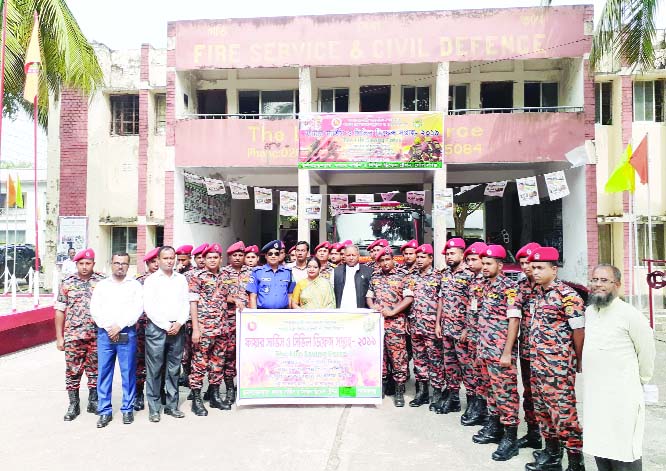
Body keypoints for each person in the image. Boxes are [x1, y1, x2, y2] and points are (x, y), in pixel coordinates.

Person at [583, 264, 655, 471]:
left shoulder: (630, 315)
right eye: (594, 280)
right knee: (600, 445)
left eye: (604, 280)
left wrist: (639, 381)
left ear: (618, 285)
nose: (597, 285)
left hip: (622, 396)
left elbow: (647, 353)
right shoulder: (590, 312)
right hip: (596, 395)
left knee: (623, 449)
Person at [526, 247, 585, 471]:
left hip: (558, 366)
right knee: (542, 410)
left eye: (541, 268)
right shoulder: (538, 293)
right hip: (538, 364)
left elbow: (578, 331)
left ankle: (575, 463)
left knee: (564, 414)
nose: (536, 272)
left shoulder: (568, 296)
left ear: (554, 269)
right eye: (533, 268)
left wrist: (578, 359)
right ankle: (551, 455)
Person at [471, 245, 522, 462]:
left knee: (506, 394)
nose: (483, 267)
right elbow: (477, 318)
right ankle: (495, 428)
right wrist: (477, 349)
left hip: (501, 351)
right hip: (484, 349)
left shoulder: (509, 288)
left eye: (488, 263)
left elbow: (514, 320)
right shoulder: (480, 286)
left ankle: (510, 438)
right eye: (482, 263)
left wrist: (507, 352)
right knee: (490, 391)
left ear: (500, 266)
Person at [90, 252, 143, 428]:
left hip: (126, 332)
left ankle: (127, 409)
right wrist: (108, 327)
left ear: (129, 266)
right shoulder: (102, 286)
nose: (120, 266)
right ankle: (104, 411)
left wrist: (119, 326)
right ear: (111, 264)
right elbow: (95, 309)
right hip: (105, 334)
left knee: (128, 373)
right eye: (117, 263)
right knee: (104, 373)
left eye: (124, 263)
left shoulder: (134, 286)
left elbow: (137, 309)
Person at [55, 248, 105, 421]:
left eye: (88, 263)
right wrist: (59, 337)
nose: (84, 267)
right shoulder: (67, 282)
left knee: (95, 370)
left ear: (93, 264)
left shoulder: (101, 282)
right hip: (73, 336)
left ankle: (93, 401)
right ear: (76, 264)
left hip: (96, 335)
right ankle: (73, 404)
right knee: (72, 371)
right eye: (81, 263)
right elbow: (60, 310)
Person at [143, 246, 190, 422]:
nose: (170, 261)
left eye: (172, 258)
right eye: (166, 258)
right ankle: (154, 408)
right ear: (159, 260)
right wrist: (165, 325)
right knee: (154, 369)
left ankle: (172, 406)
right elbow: (149, 306)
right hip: (157, 328)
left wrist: (179, 323)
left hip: (177, 328)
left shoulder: (181, 279)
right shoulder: (152, 280)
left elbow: (185, 303)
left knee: (174, 369)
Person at [366, 247, 414, 407]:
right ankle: (382, 387)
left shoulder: (403, 276)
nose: (385, 263)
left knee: (398, 358)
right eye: (382, 260)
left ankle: (399, 391)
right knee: (381, 357)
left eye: (387, 259)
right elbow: (369, 296)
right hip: (378, 325)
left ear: (393, 259)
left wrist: (393, 311)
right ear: (378, 262)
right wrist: (373, 307)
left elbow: (408, 298)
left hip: (396, 324)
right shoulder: (375, 276)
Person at [434, 238, 474, 415]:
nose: (449, 257)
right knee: (450, 365)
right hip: (447, 328)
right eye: (447, 254)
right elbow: (441, 300)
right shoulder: (445, 274)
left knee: (467, 367)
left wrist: (467, 328)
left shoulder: (470, 275)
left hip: (462, 330)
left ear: (462, 254)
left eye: (452, 253)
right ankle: (453, 398)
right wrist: (438, 323)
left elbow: (473, 304)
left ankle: (473, 402)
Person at [189, 243, 227, 415]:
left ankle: (214, 396)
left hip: (221, 327)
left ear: (220, 259)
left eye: (215, 257)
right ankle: (196, 399)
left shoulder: (223, 275)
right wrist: (196, 329)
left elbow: (223, 297)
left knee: (217, 363)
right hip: (204, 328)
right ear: (203, 259)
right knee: (199, 364)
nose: (212, 260)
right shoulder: (197, 276)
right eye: (209, 257)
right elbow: (193, 302)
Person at [406, 244, 444, 408]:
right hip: (415, 325)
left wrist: (438, 324)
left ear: (430, 258)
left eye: (423, 257)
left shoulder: (438, 277)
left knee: (434, 359)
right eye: (418, 257)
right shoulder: (412, 276)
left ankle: (436, 393)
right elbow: (408, 300)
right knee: (419, 359)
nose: (419, 260)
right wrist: (408, 320)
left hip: (431, 326)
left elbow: (442, 302)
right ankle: (422, 392)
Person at [515, 242, 543, 450]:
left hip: (549, 355)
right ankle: (533, 434)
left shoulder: (555, 289)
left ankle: (554, 445)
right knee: (529, 394)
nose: (526, 267)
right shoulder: (521, 287)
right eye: (523, 263)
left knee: (549, 398)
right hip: (526, 350)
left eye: (530, 263)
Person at [219, 241, 252, 409]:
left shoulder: (252, 271)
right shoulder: (223, 273)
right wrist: (234, 300)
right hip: (229, 319)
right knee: (230, 354)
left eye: (241, 255)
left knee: (247, 354)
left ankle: (244, 387)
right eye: (235, 255)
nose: (238, 258)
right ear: (229, 257)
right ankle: (230, 389)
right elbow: (219, 295)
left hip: (249, 321)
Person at [460, 241, 489, 425]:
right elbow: (471, 309)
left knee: (484, 376)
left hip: (486, 338)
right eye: (468, 260)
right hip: (473, 335)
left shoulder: (488, 281)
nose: (469, 263)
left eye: (473, 259)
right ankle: (478, 408)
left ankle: (485, 413)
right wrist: (467, 329)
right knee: (474, 373)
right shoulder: (474, 280)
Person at [134, 247, 160, 412]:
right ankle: (138, 394)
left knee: (160, 362)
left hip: (161, 327)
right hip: (143, 327)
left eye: (159, 261)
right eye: (153, 262)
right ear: (147, 264)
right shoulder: (139, 281)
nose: (156, 264)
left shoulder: (168, 280)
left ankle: (159, 392)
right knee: (140, 362)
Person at [247, 240, 295, 309]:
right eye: (270, 254)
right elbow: (252, 297)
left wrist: (289, 314)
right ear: (266, 256)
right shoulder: (257, 272)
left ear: (279, 256)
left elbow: (290, 296)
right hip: (263, 313)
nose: (273, 256)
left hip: (283, 313)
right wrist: (254, 316)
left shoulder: (288, 272)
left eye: (276, 254)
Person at [333, 244, 372, 309]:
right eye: (348, 255)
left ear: (359, 256)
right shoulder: (336, 271)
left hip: (361, 313)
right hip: (341, 312)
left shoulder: (368, 271)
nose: (351, 258)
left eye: (353, 255)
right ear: (344, 256)